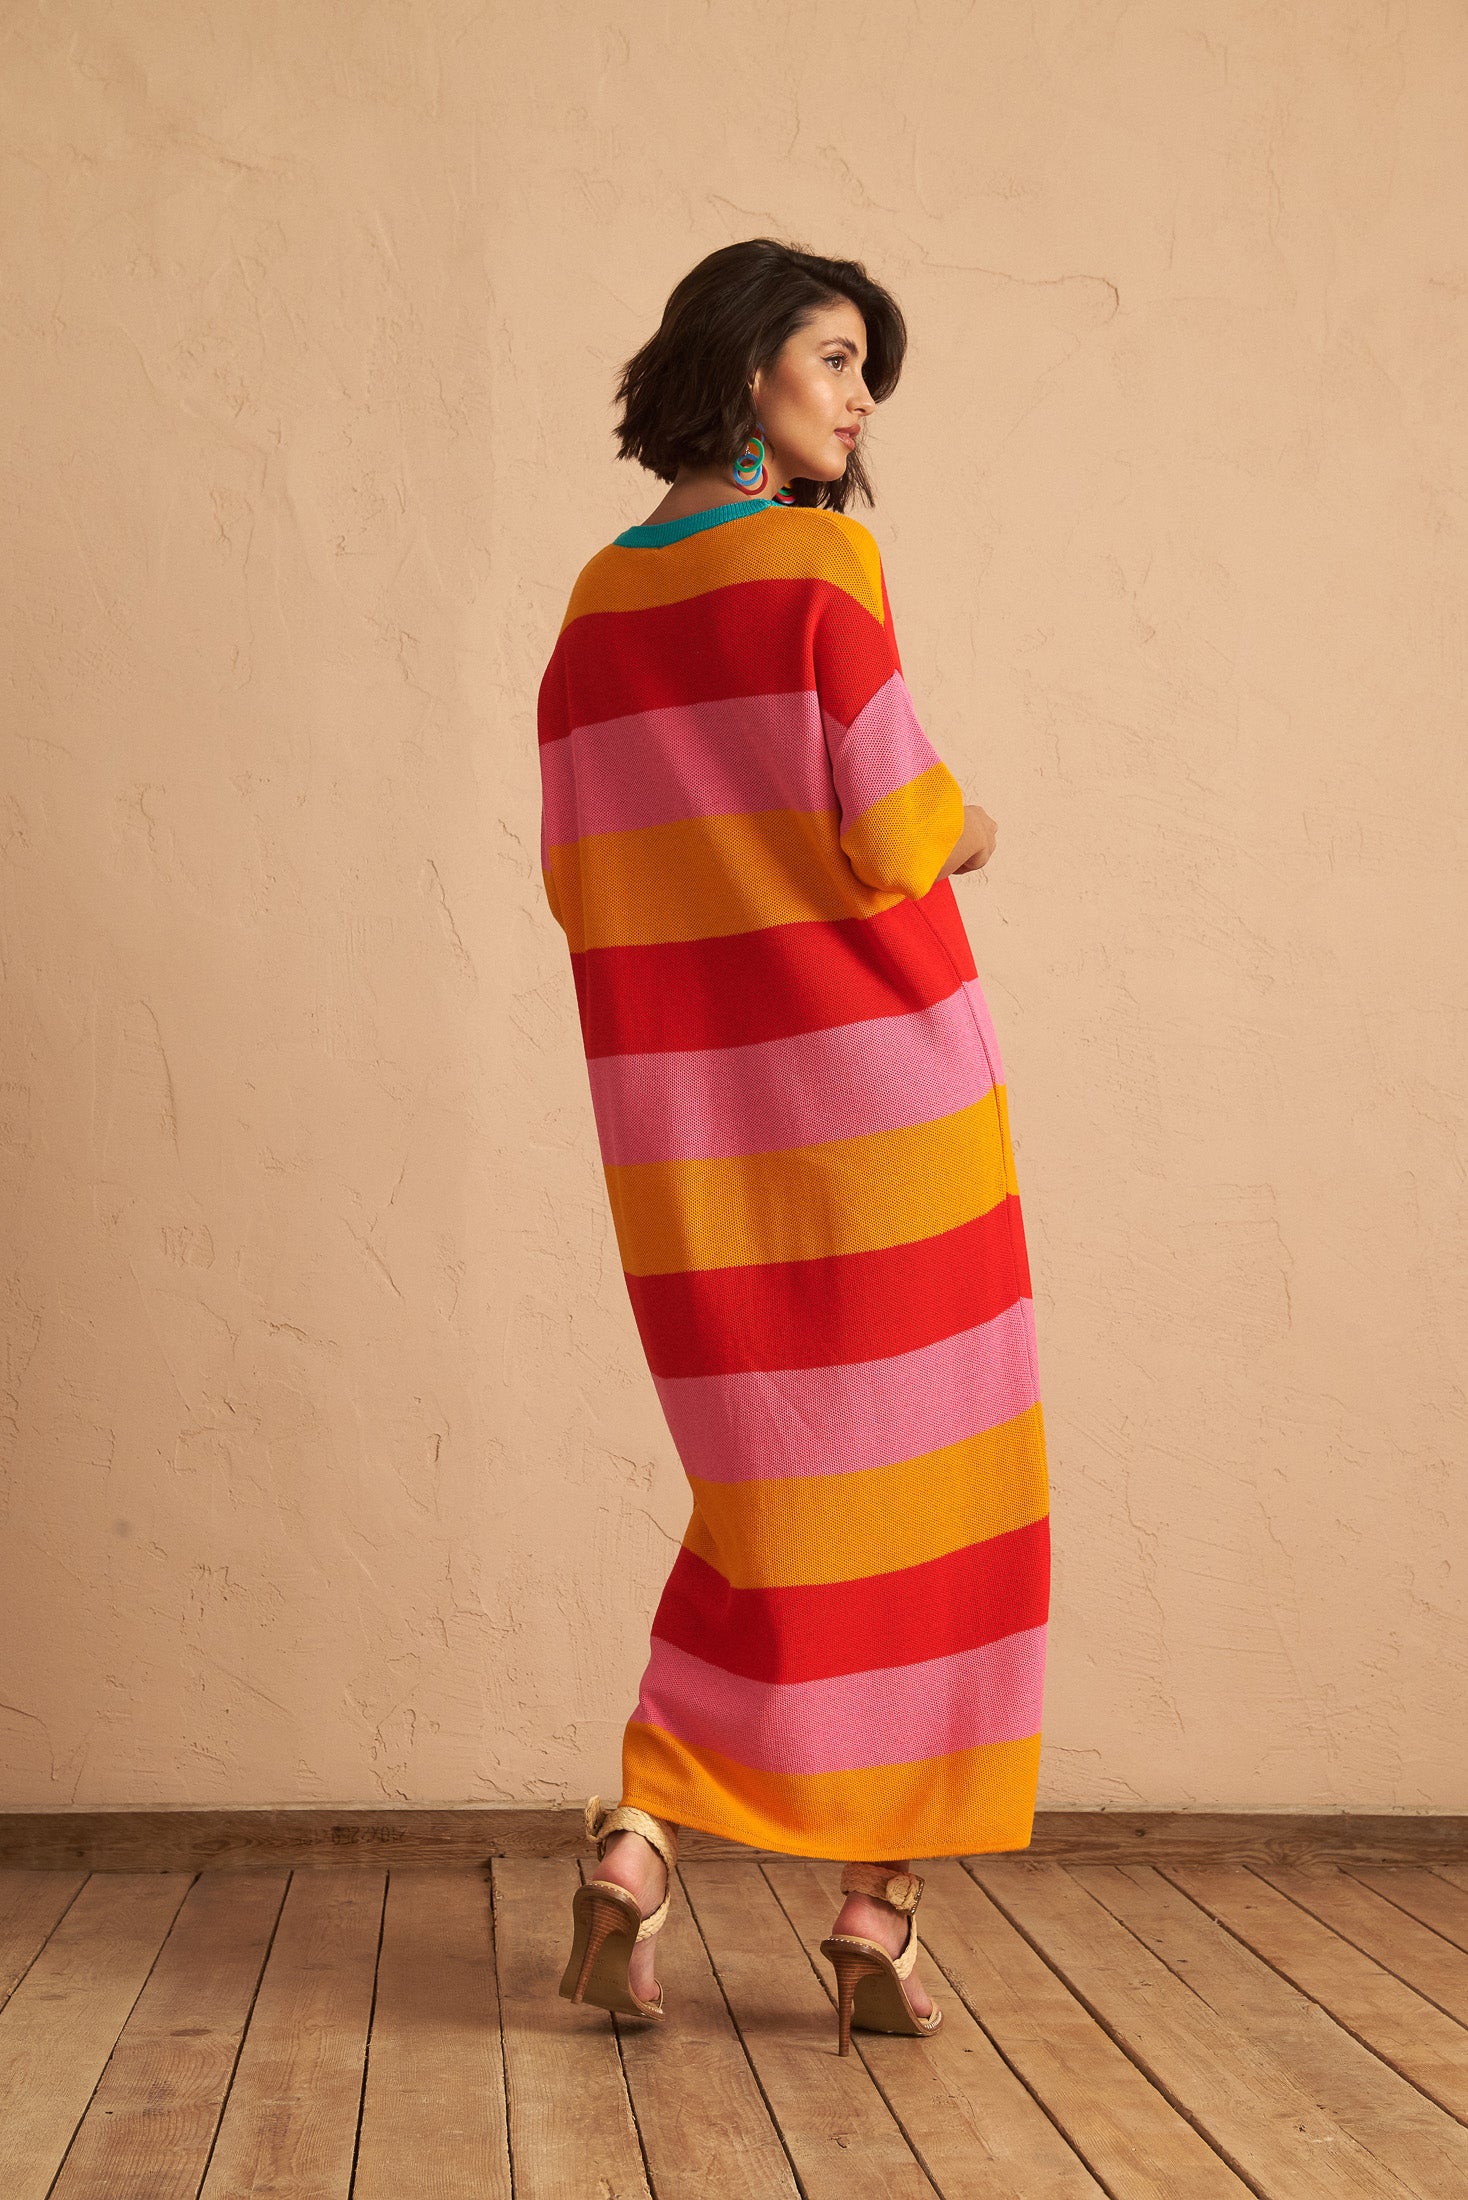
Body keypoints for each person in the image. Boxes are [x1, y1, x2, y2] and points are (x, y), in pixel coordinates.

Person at [536, 238, 1050, 2057]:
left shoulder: (595, 606)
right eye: (835, 358)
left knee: (770, 1500)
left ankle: (642, 1837)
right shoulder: (821, 564)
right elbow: (898, 826)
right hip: (886, 1110)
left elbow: (582, 884)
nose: (861, 396)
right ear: (747, 368)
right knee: (939, 1504)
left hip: (691, 1140)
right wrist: (980, 823)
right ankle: (874, 1912)